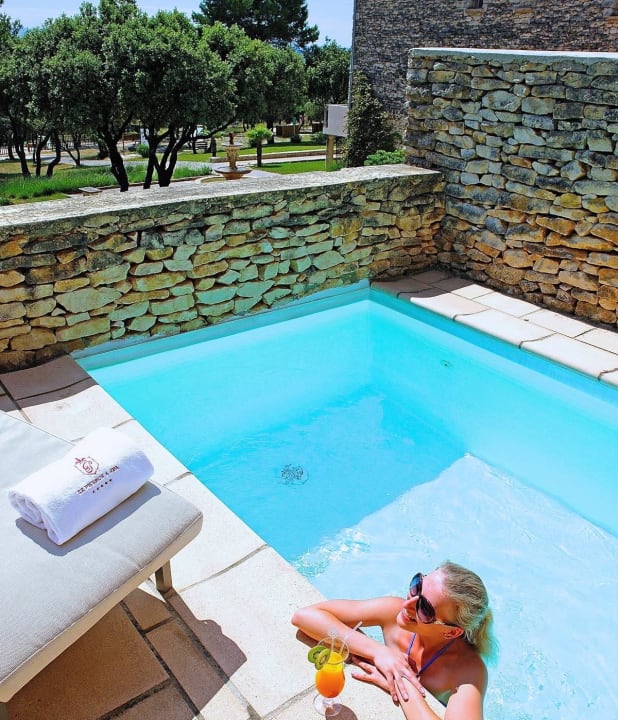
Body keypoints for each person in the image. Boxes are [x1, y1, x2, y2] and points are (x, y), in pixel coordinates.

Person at [291, 561, 495, 720]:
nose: (407, 604)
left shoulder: (468, 671)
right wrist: (379, 651)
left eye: (425, 609)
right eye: (417, 585)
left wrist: (401, 682)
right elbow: (304, 617)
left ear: (451, 632)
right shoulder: (392, 610)